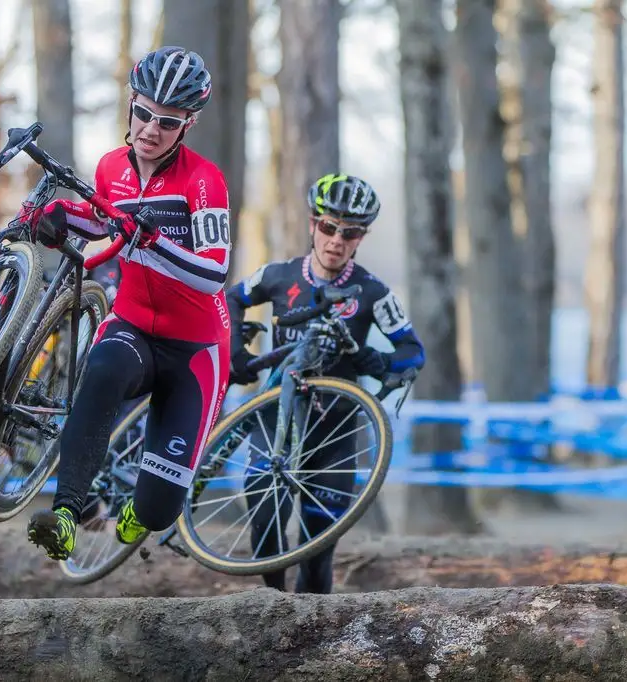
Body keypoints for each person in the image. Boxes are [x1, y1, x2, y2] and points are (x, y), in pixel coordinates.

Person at [24, 46, 233, 561]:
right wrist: (55, 217)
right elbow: (100, 223)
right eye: (143, 112)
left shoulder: (204, 181)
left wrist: (153, 240)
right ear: (130, 104)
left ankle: (143, 514)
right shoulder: (111, 167)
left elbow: (213, 273)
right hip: (134, 325)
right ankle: (68, 515)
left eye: (167, 121)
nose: (150, 129)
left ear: (188, 124)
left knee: (159, 508)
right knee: (101, 370)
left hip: (196, 349)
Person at [225, 173, 425, 593]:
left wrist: (376, 361)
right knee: (266, 530)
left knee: (316, 556)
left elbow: (412, 351)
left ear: (360, 238)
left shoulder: (372, 291)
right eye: (329, 227)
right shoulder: (279, 276)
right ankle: (270, 609)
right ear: (313, 225)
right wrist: (235, 352)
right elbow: (231, 298)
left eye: (349, 233)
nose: (336, 239)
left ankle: (310, 640)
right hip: (277, 418)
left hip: (335, 431)